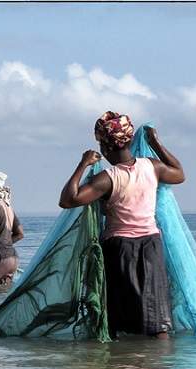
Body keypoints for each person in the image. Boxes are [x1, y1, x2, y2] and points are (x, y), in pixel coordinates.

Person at [58, 111, 185, 339]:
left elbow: (68, 200)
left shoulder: (108, 178)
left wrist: (83, 164)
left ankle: (118, 364)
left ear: (106, 148)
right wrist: (156, 143)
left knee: (116, 316)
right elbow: (179, 173)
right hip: (152, 246)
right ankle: (159, 368)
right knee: (156, 319)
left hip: (119, 249)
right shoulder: (152, 167)